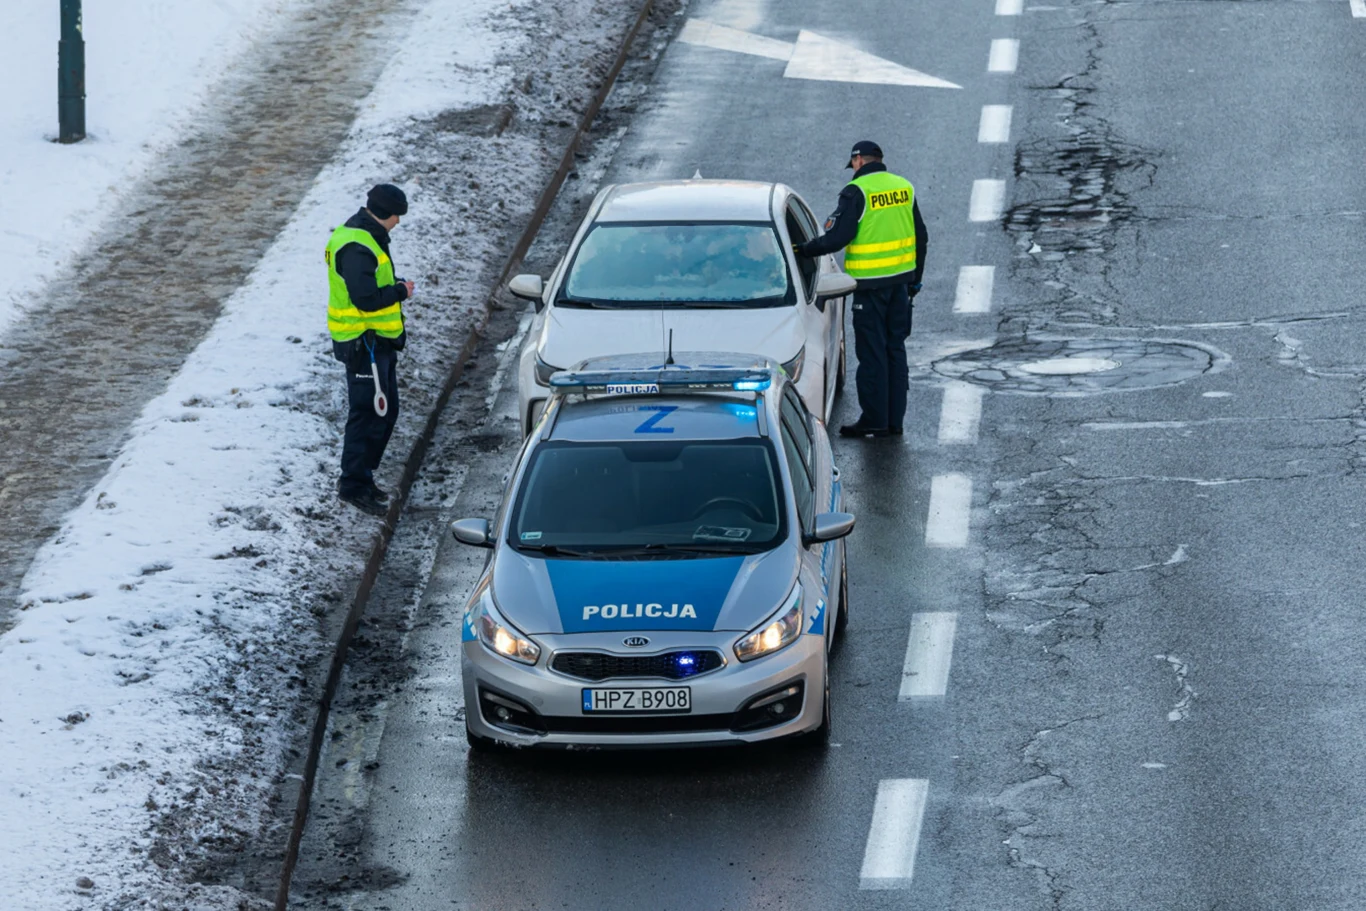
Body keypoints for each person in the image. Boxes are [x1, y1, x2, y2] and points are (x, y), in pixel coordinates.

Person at [797, 140, 927, 438]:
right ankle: (894, 421)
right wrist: (915, 280)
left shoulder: (856, 192)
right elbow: (922, 237)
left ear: (858, 160)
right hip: (901, 287)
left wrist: (803, 249)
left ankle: (874, 420)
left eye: (853, 163)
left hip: (869, 289)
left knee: (872, 355)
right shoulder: (903, 187)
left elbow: (836, 238)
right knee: (895, 350)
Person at [324, 183, 415, 515]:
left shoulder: (365, 235)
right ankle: (352, 485)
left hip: (377, 342)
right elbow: (365, 299)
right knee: (367, 414)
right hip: (365, 345)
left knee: (385, 412)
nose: (398, 223)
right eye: (397, 217)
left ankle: (363, 477)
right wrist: (400, 292)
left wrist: (393, 288)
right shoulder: (357, 245)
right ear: (387, 214)